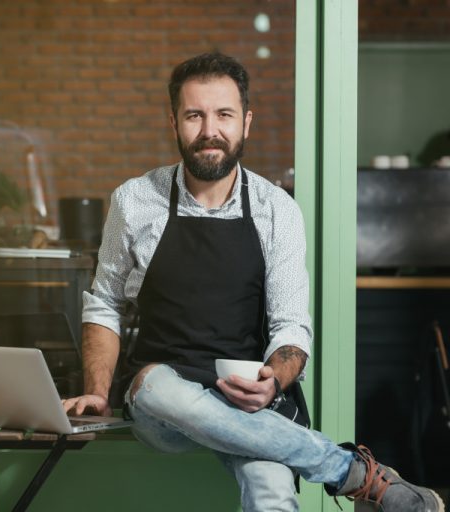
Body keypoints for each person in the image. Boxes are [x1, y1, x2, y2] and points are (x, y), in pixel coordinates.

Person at [62, 53, 444, 512]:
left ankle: (340, 470)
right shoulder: (135, 201)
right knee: (156, 385)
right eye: (194, 115)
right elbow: (105, 304)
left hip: (251, 403)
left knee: (272, 492)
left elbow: (291, 327)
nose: (210, 130)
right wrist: (97, 392)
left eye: (224, 115)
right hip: (164, 409)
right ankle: (353, 473)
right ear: (173, 122)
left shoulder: (276, 209)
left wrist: (273, 382)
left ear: (246, 122)